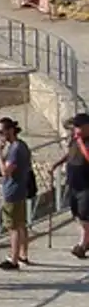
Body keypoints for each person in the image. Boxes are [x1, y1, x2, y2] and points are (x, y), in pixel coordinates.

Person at [48, 111, 89, 259]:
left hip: (86, 184)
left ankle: (83, 245)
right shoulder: (75, 138)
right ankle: (86, 241)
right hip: (73, 182)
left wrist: (80, 142)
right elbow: (70, 153)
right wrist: (57, 164)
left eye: (79, 127)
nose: (76, 130)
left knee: (85, 216)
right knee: (77, 214)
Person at [0, 117, 35, 270]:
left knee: (13, 226)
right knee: (21, 223)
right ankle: (22, 255)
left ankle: (13, 260)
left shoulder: (16, 148)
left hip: (13, 190)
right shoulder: (20, 145)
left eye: (1, 132)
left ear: (10, 131)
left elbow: (6, 171)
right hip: (20, 188)